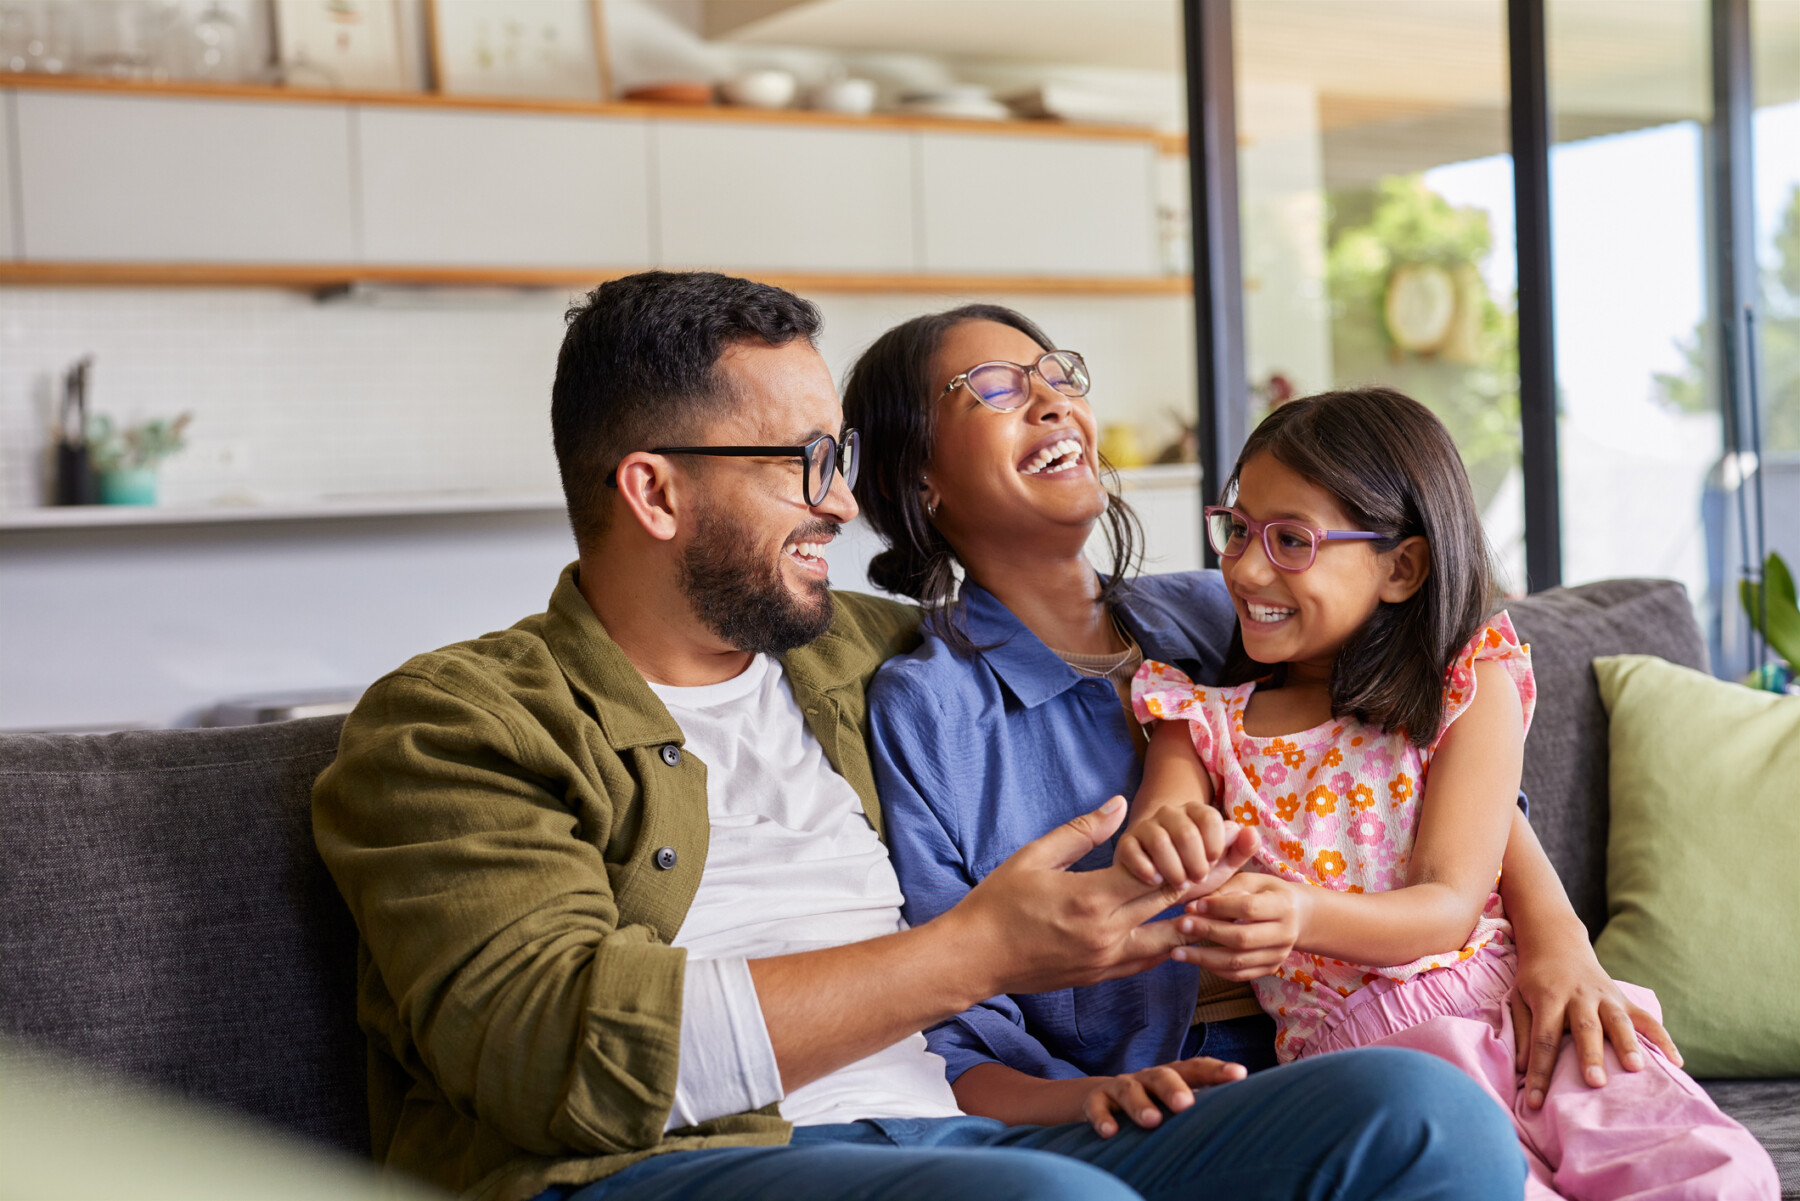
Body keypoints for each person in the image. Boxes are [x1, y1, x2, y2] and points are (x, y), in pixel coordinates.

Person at [312, 271, 1526, 1201]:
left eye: (840, 459)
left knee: (1423, 1114)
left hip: (971, 1137)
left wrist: (1553, 932)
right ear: (654, 491)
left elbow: (1407, 714)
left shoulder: (866, 651)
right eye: (803, 464)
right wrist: (979, 950)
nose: (843, 502)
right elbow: (555, 1055)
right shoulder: (450, 727)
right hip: (677, 1162)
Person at [848, 304, 1684, 1139]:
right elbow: (945, 1018)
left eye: (1059, 374)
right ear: (918, 478)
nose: (1054, 400)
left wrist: (1559, 937)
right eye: (994, 389)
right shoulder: (931, 707)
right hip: (1190, 1087)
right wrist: (1085, 1099)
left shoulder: (1231, 606)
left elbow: (1437, 763)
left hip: (1424, 1006)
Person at [1122, 387, 1778, 1198]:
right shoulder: (1201, 720)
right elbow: (1162, 824)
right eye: (1238, 529)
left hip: (1520, 1013)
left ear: (1402, 566)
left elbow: (1449, 903)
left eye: (1292, 540)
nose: (1248, 567)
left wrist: (1300, 914)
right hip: (1365, 1071)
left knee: (1711, 1174)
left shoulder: (1466, 688)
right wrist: (1165, 843)